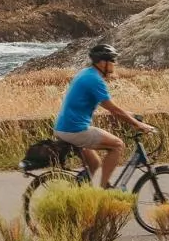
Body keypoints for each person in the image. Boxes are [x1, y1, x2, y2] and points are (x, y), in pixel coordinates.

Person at [53, 42, 155, 188]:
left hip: (64, 128)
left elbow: (108, 107)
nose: (115, 63)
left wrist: (131, 116)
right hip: (75, 130)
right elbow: (113, 109)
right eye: (112, 60)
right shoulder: (95, 80)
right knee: (117, 145)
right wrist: (139, 125)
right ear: (102, 63)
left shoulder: (86, 73)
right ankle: (103, 192)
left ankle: (78, 196)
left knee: (94, 164)